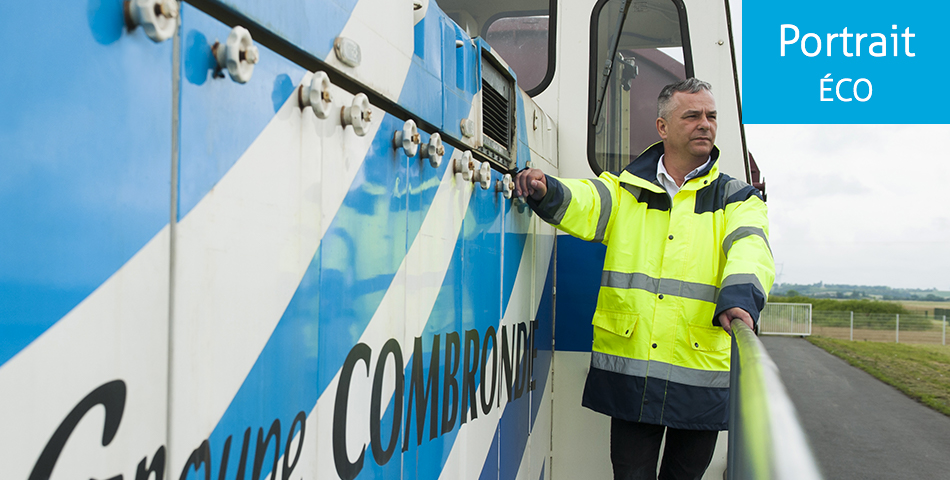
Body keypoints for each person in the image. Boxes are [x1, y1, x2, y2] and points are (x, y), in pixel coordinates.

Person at [514, 78, 774, 480]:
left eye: (711, 116)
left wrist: (741, 296)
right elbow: (587, 201)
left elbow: (751, 247)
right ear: (663, 127)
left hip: (699, 368)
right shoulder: (626, 190)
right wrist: (547, 189)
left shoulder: (737, 198)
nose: (705, 124)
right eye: (692, 115)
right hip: (635, 373)